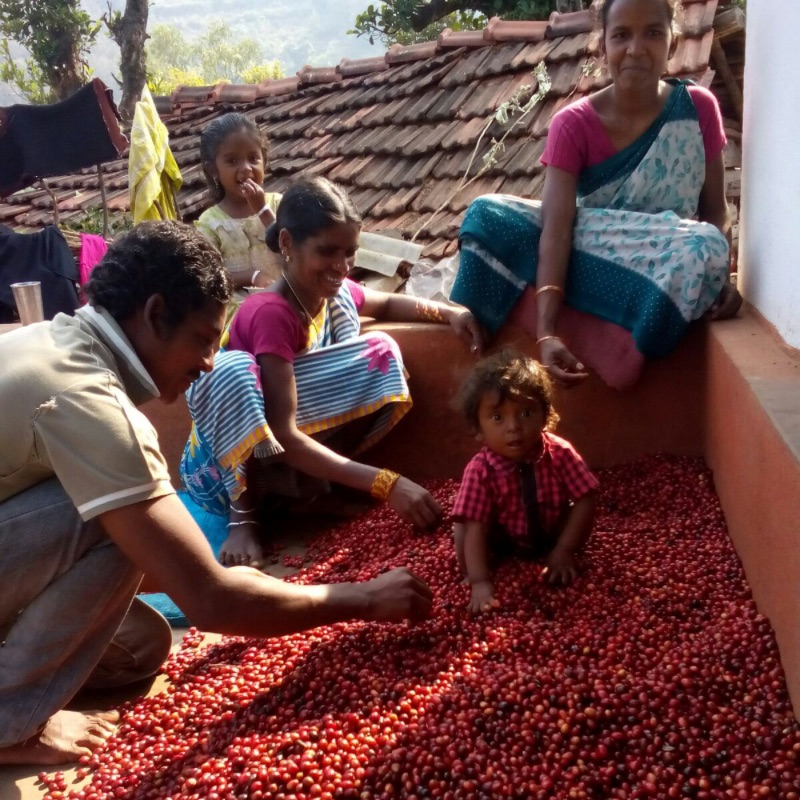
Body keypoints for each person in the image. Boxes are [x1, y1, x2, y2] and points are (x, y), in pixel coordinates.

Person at [0, 220, 433, 766]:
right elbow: (209, 600)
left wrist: (250, 586)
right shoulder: (88, 401)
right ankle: (9, 724)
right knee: (113, 514)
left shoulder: (52, 338)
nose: (209, 363)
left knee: (141, 649)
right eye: (204, 340)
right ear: (155, 313)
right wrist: (364, 597)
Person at [181, 176, 485, 569]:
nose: (341, 267)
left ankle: (310, 492)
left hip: (280, 456)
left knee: (381, 353)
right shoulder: (271, 312)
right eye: (327, 252)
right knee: (234, 370)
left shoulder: (329, 294)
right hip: (221, 470)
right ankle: (245, 517)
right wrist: (386, 482)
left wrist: (449, 312)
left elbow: (386, 304)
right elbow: (284, 433)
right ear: (287, 243)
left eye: (349, 253)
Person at [451, 0, 742, 390]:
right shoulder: (572, 124)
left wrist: (720, 279)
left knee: (704, 245)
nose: (635, 49)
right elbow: (556, 230)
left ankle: (624, 340)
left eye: (653, 33)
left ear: (672, 43)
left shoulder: (698, 108)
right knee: (486, 214)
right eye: (621, 35)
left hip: (665, 264)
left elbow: (716, 213)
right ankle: (593, 331)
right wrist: (546, 331)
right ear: (603, 47)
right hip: (595, 260)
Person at [452, 350, 598, 615]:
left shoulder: (560, 453)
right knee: (463, 527)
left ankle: (558, 552)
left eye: (526, 413)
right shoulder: (479, 470)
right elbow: (476, 529)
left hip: (549, 533)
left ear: (545, 414)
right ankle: (470, 573)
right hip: (500, 541)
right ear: (477, 428)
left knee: (576, 508)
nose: (514, 427)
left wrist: (565, 549)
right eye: (498, 417)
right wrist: (480, 581)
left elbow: (586, 496)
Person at [195, 112, 283, 309]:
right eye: (232, 161)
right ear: (213, 170)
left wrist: (263, 210)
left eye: (253, 158)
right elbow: (209, 276)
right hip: (238, 314)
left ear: (264, 160)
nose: (246, 168)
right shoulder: (210, 222)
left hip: (287, 305)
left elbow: (297, 250)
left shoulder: (279, 205)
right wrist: (252, 276)